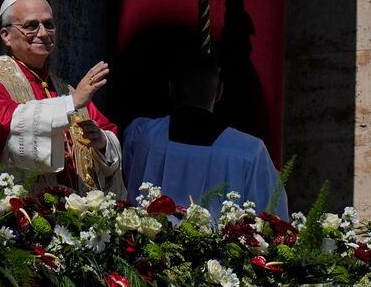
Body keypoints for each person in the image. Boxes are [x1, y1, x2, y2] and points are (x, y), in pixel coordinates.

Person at [0, 0, 124, 195]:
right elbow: (2, 125)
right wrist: (70, 103)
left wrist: (102, 142)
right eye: (31, 26)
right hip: (17, 211)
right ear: (6, 35)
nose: (43, 33)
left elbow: (108, 132)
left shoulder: (65, 90)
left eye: (48, 24)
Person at [123, 48, 288, 220]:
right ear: (219, 92)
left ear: (170, 89)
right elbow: (273, 220)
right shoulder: (250, 152)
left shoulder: (142, 135)